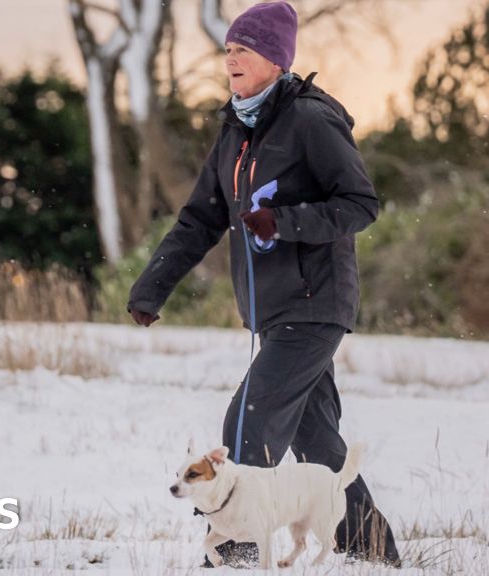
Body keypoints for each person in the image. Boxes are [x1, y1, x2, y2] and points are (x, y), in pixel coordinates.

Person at [127, 1, 400, 568]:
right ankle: (373, 552)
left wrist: (287, 221)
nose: (230, 59)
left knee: (245, 423)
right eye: (227, 49)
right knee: (321, 446)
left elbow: (361, 204)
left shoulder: (311, 120)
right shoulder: (235, 132)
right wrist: (153, 287)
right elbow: (199, 219)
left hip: (315, 301)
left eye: (242, 50)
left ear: (275, 60)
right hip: (273, 312)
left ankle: (237, 552)